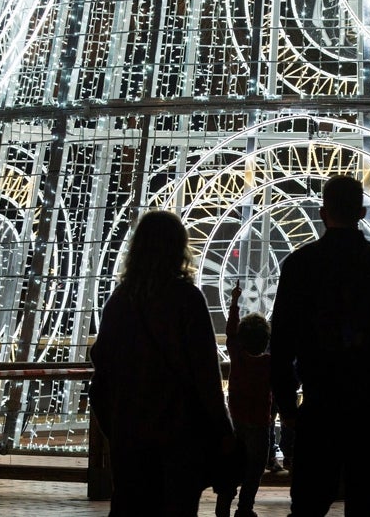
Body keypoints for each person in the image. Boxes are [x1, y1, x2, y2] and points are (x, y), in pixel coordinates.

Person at [269, 175, 370, 517]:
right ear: (362, 212)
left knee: (309, 504)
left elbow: (282, 343)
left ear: (322, 213)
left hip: (319, 407)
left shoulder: (299, 265)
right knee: (365, 505)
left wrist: (289, 408)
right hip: (368, 410)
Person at [89, 210, 234, 516]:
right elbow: (206, 376)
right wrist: (223, 431)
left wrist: (116, 429)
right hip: (179, 440)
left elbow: (101, 372)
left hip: (130, 439)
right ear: (179, 248)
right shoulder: (188, 300)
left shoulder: (119, 300)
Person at [216, 283, 274, 517]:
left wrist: (234, 303)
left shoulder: (238, 358)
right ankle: (245, 508)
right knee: (255, 470)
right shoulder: (270, 364)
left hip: (237, 422)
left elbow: (230, 332)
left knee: (231, 467)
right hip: (260, 424)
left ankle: (223, 507)